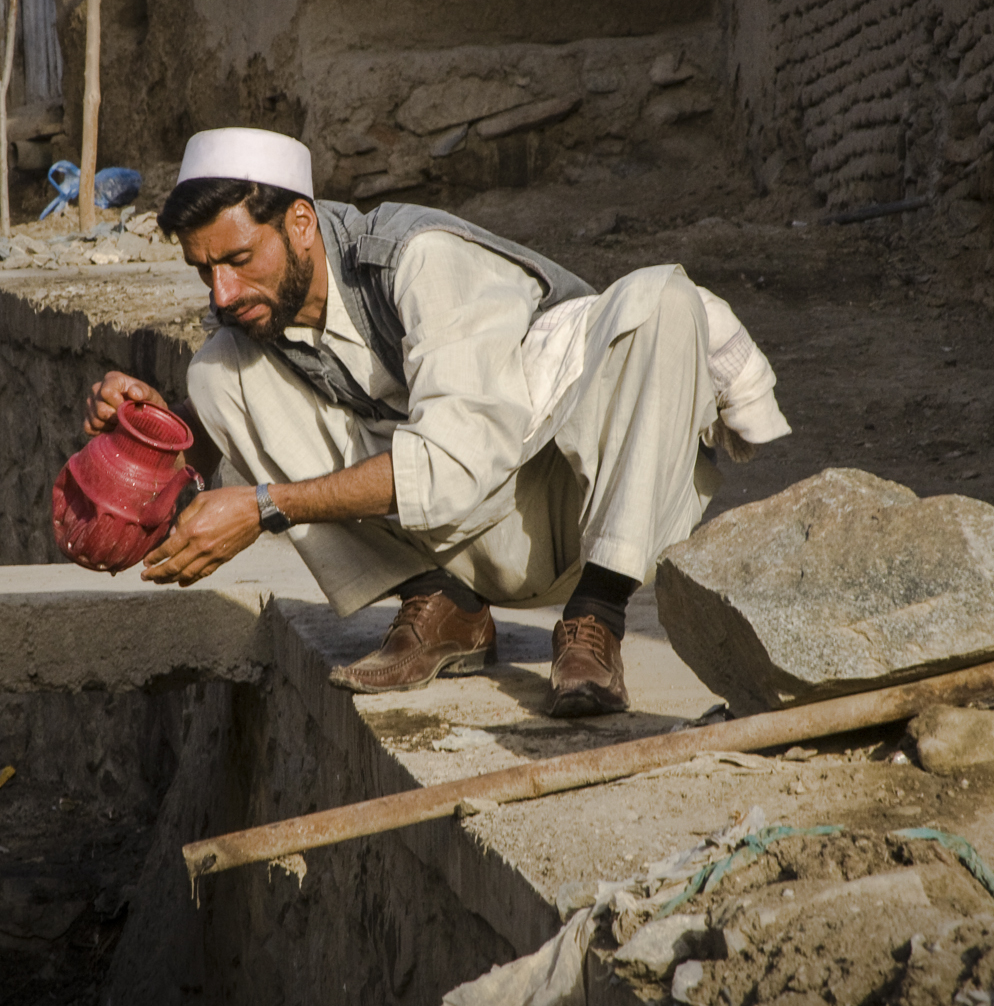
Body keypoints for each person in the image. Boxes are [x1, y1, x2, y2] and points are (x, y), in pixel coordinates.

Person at [83, 127, 788, 717]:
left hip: (566, 506)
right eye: (204, 271)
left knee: (662, 297)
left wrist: (265, 508)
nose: (223, 291)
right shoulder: (257, 312)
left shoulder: (420, 259)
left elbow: (453, 467)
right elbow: (218, 429)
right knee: (212, 369)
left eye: (238, 260)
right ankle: (443, 606)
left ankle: (595, 622)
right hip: (460, 541)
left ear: (300, 221)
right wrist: (148, 432)